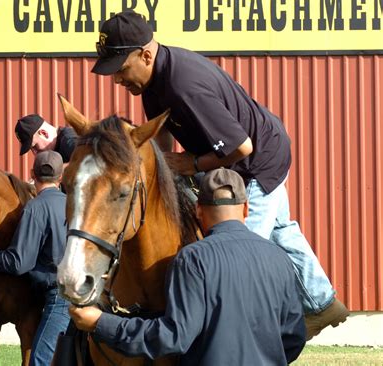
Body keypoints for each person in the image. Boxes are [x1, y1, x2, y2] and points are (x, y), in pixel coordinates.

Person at [90, 10, 349, 340]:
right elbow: (164, 135)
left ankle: (239, 335)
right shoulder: (154, 82)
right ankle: (323, 303)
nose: (116, 79)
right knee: (280, 228)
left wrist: (192, 165)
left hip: (256, 162)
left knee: (238, 253)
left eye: (121, 69)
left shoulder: (183, 85)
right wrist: (167, 165)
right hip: (248, 153)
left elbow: (241, 146)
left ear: (145, 54)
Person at [69, 168, 306, 365]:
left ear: (198, 210)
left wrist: (101, 323)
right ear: (245, 209)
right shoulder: (279, 258)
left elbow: (174, 337)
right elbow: (294, 337)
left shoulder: (193, 259)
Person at [0, 150, 70, 366]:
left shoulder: (35, 208)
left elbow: (18, 263)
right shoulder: (71, 204)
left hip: (58, 299)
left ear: (33, 173)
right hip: (79, 295)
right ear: (61, 177)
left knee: (40, 360)